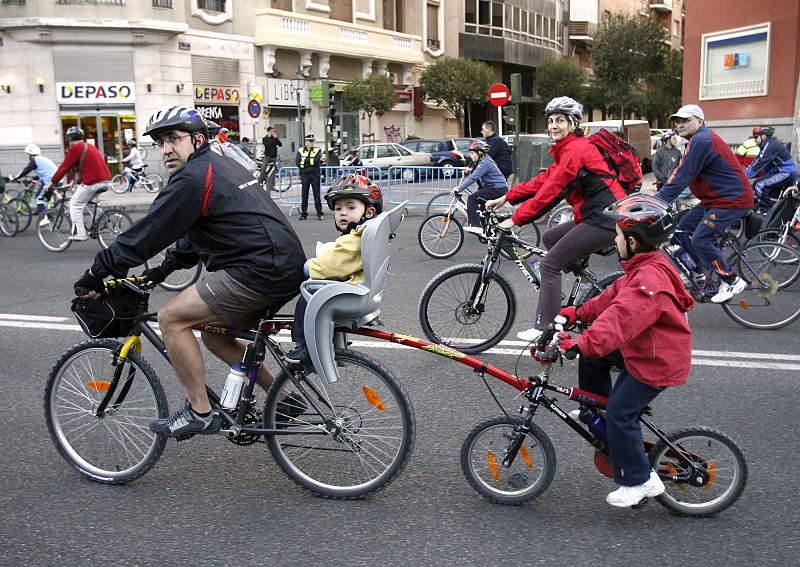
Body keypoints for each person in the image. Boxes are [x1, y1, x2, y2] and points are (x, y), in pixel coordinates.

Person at [73, 105, 307, 438]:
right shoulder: (219, 166)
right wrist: (159, 272)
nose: (166, 148)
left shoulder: (193, 177)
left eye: (173, 138)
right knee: (213, 332)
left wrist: (97, 274)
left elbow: (149, 232)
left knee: (171, 317)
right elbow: (193, 238)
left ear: (197, 139)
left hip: (260, 269)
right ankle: (284, 400)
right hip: (279, 264)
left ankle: (199, 412)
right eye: (160, 142)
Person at [549, 193, 694, 508]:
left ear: (634, 241)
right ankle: (595, 409)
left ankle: (639, 481)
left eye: (618, 235)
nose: (614, 241)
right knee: (594, 357)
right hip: (645, 348)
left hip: (655, 362)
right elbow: (613, 295)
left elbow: (618, 321)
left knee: (621, 413)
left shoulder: (647, 283)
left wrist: (578, 342)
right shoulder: (644, 265)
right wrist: (579, 312)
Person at [485, 96, 628, 342]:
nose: (553, 125)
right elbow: (543, 181)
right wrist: (507, 197)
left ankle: (546, 329)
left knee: (550, 265)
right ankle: (583, 284)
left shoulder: (576, 150)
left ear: (573, 124)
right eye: (550, 120)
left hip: (605, 218)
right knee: (551, 237)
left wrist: (516, 219)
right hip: (595, 215)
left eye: (560, 120)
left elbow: (553, 191)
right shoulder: (567, 150)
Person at [655, 104, 754, 304]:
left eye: (686, 120)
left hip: (731, 200)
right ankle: (697, 272)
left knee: (701, 239)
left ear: (699, 122)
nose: (680, 125)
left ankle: (731, 279)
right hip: (714, 200)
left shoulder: (701, 139)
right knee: (681, 228)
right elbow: (684, 177)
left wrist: (656, 202)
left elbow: (683, 176)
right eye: (678, 122)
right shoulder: (695, 141)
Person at [285, 174, 382, 365]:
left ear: (369, 212)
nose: (342, 213)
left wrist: (307, 267)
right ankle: (335, 344)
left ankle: (304, 347)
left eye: (350, 207)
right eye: (338, 208)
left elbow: (331, 265)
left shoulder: (355, 238)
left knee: (309, 293)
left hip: (353, 294)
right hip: (361, 290)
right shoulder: (364, 232)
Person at [42, 127, 113, 241]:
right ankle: (102, 219)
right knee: (88, 201)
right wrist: (73, 181)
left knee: (75, 204)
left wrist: (51, 183)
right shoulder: (89, 146)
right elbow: (83, 166)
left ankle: (81, 234)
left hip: (93, 181)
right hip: (106, 180)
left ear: (69, 138)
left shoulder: (75, 148)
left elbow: (64, 167)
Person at [452, 141, 508, 236]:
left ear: (479, 153)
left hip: (497, 189)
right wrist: (469, 170)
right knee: (482, 209)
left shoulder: (485, 163)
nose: (471, 155)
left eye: (473, 153)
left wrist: (459, 188)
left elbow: (473, 178)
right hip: (496, 188)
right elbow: (476, 171)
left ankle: (476, 226)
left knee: (472, 199)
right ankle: (487, 232)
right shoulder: (484, 161)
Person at [745, 125, 798, 212]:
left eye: (756, 137)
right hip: (780, 172)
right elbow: (756, 162)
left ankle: (767, 212)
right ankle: (770, 209)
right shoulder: (767, 146)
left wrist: (743, 177)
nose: (754, 139)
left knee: (759, 185)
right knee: (761, 185)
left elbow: (758, 164)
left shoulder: (769, 146)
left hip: (786, 172)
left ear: (763, 136)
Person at [9, 144, 57, 213]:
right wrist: (33, 178)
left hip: (49, 181)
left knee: (39, 199)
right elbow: (44, 173)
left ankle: (43, 219)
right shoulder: (42, 159)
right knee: (47, 197)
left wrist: (15, 177)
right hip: (56, 179)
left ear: (30, 154)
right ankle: (51, 213)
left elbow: (25, 170)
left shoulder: (35, 160)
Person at [296, 133, 324, 220]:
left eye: (313, 141)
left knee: (317, 194)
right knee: (304, 194)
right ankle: (303, 213)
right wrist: (307, 163)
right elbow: (297, 162)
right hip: (305, 175)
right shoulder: (300, 151)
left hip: (315, 175)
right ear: (306, 142)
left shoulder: (317, 151)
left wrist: (305, 162)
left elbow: (316, 161)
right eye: (310, 141)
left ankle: (319, 213)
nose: (312, 143)